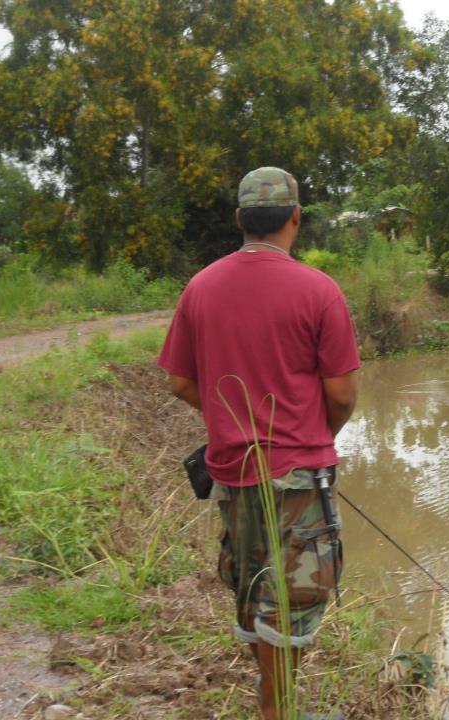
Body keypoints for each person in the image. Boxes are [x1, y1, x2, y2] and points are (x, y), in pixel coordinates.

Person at [157, 167, 360, 720]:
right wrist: (316, 436)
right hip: (298, 478)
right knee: (293, 600)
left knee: (252, 589)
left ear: (240, 219)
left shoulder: (200, 287)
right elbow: (341, 395)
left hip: (231, 473)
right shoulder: (319, 289)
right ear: (296, 216)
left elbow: (180, 381)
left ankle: (277, 706)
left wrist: (229, 420)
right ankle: (279, 714)